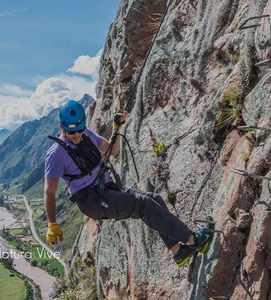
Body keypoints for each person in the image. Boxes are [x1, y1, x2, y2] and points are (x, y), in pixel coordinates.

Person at [43, 100, 212, 267]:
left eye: (80, 129)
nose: (77, 135)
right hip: (91, 200)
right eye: (72, 133)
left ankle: (178, 252)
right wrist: (52, 223)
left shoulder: (87, 135)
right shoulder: (56, 154)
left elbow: (112, 150)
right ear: (61, 127)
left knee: (154, 199)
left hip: (106, 189)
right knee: (143, 205)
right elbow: (49, 191)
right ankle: (193, 239)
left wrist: (116, 128)